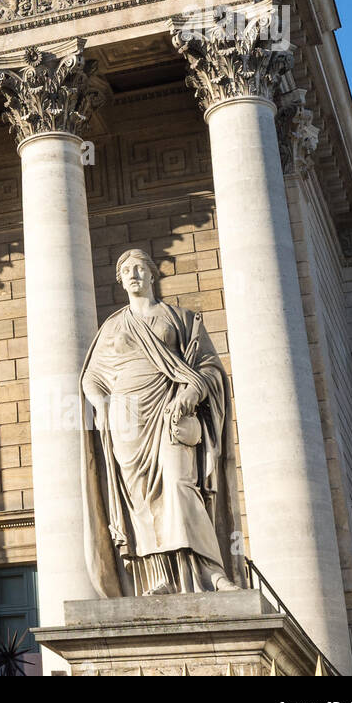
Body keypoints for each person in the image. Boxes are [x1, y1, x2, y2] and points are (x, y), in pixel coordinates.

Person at [81, 248, 240, 596]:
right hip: (127, 419)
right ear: (120, 281)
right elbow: (91, 377)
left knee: (180, 485)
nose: (134, 274)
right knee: (140, 501)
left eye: (140, 268)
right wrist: (101, 406)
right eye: (127, 270)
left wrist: (190, 395)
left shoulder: (181, 319)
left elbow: (209, 368)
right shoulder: (112, 327)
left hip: (170, 412)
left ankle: (210, 572)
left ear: (153, 275)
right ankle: (159, 578)